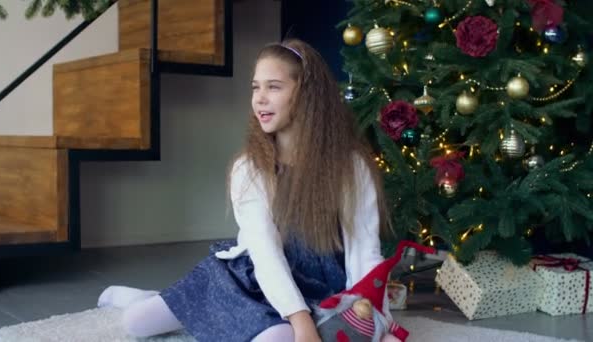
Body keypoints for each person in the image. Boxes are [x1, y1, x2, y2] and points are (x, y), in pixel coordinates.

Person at [97, 39, 401, 342]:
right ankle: (157, 299)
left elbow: (365, 250)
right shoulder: (249, 167)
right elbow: (265, 251)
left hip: (320, 287)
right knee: (136, 323)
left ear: (307, 94)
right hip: (255, 277)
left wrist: (375, 317)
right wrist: (300, 320)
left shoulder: (351, 166)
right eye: (256, 88)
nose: (260, 99)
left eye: (274, 87)